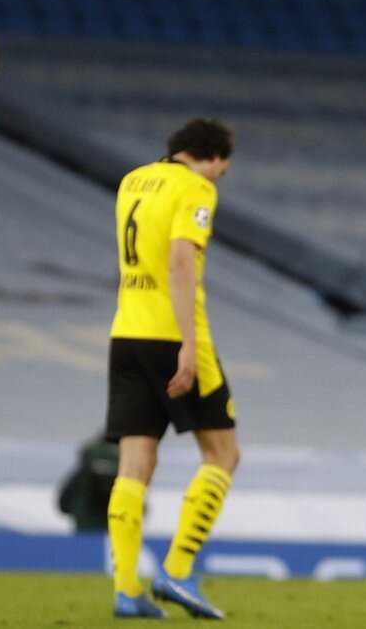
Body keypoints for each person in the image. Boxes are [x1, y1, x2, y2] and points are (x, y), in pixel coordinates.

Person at [105, 118, 238, 620]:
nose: (221, 176)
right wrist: (187, 345)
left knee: (134, 463)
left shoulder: (133, 180)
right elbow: (180, 264)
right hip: (175, 335)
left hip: (126, 333)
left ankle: (126, 590)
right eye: (223, 168)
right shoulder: (196, 188)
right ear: (213, 156)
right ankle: (177, 571)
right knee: (223, 454)